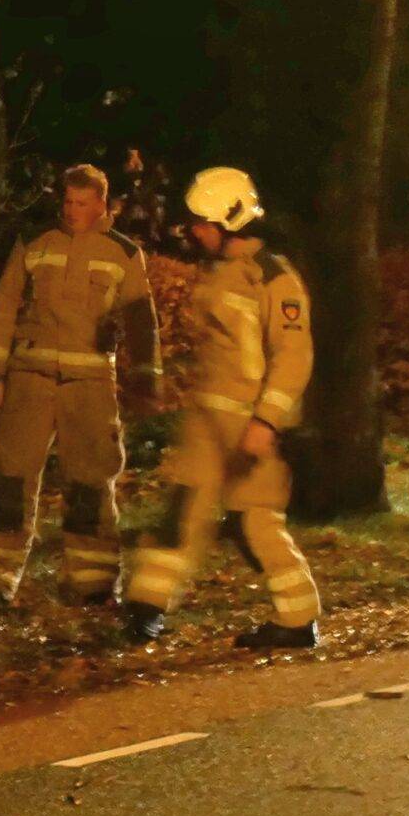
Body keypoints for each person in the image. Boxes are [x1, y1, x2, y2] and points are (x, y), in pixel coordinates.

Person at [119, 167, 321, 649]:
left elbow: (294, 357)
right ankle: (146, 608)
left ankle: (298, 619)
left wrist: (266, 421)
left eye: (201, 223)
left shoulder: (274, 279)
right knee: (182, 509)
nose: (194, 232)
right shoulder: (224, 272)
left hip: (251, 424)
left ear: (228, 221)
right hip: (209, 420)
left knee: (256, 522)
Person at [0, 164, 161, 613]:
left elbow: (141, 320)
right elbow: (5, 305)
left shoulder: (124, 254)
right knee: (9, 480)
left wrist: (146, 380)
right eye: (67, 202)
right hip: (30, 375)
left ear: (101, 205)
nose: (71, 211)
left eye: (81, 203)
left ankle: (92, 584)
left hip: (89, 383)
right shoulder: (35, 242)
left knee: (90, 484)